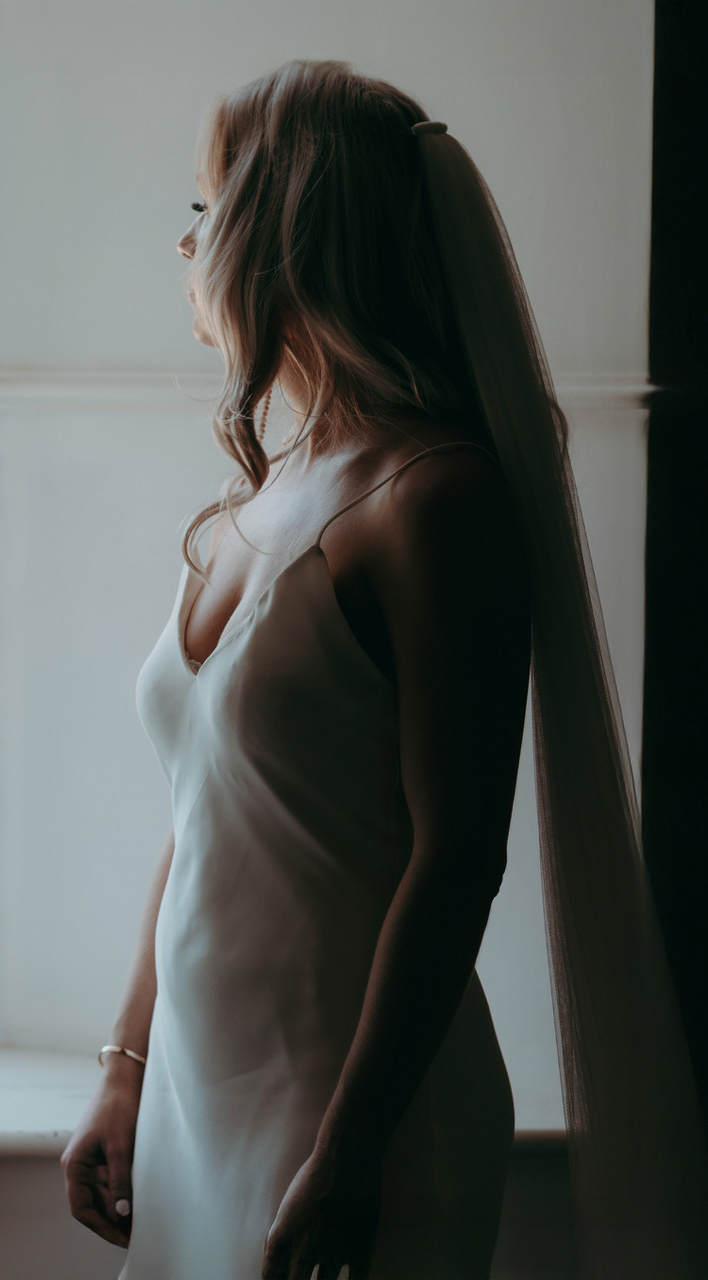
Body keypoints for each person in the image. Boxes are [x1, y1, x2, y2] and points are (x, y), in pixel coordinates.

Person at [61, 60, 708, 1280]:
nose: (185, 238)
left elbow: (455, 853)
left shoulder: (435, 500)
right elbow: (205, 820)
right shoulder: (262, 491)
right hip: (199, 1093)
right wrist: (122, 1068)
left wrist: (348, 1145)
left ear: (276, 233)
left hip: (355, 1108)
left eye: (205, 205)